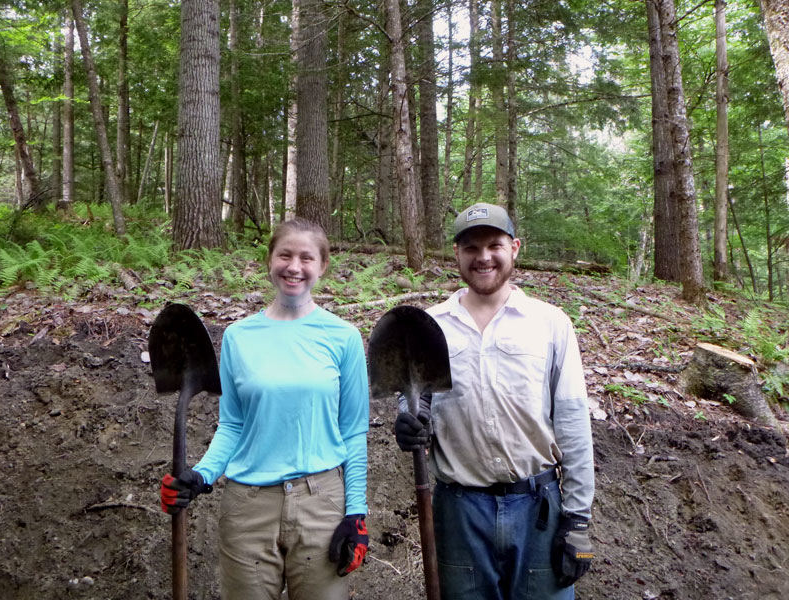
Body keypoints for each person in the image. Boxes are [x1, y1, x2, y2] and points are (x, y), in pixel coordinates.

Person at [160, 218, 370, 600]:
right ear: (269, 261)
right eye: (285, 255)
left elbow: (354, 431)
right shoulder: (239, 337)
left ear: (322, 266)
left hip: (321, 505)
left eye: (307, 258)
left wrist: (356, 512)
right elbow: (233, 424)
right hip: (248, 508)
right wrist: (201, 476)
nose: (294, 267)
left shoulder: (344, 338)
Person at [394, 202, 594, 600]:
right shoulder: (430, 325)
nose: (483, 257)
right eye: (470, 247)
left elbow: (572, 423)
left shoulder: (550, 324)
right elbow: (418, 402)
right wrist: (408, 419)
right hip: (460, 511)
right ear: (456, 254)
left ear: (514, 248)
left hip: (539, 508)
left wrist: (577, 520)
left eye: (494, 245)